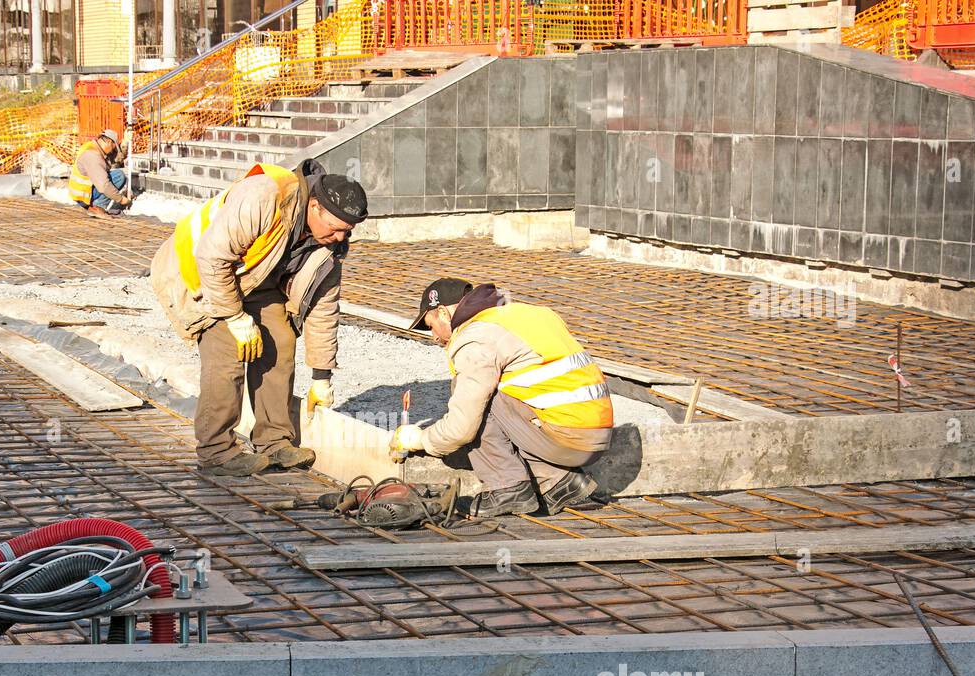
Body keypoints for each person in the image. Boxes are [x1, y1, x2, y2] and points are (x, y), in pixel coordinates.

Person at [151, 159, 368, 477]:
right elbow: (212, 258)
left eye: (346, 231)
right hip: (202, 276)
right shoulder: (265, 197)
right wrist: (236, 318)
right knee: (228, 356)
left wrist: (322, 376)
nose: (339, 238)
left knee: (280, 342)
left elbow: (324, 309)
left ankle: (274, 442)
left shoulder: (331, 247)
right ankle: (216, 451)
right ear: (315, 206)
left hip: (256, 279)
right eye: (336, 228)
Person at [389, 279, 614, 518]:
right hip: (596, 435)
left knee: (479, 396)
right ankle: (560, 481)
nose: (434, 336)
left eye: (431, 325)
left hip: (564, 436)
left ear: (443, 312)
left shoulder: (476, 337)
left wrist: (420, 439)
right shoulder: (527, 314)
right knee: (515, 392)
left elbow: (463, 427)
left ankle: (507, 487)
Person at [68, 129, 131, 218]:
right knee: (119, 176)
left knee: (115, 175)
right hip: (83, 195)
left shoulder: (91, 146)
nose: (113, 151)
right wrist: (120, 199)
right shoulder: (93, 156)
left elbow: (116, 158)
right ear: (109, 142)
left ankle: (95, 205)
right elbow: (104, 185)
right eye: (113, 148)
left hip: (81, 191)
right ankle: (97, 206)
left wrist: (125, 143)